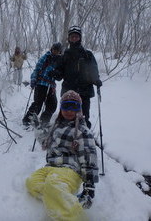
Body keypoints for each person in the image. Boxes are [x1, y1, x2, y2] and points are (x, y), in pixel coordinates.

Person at [26, 90, 99, 221]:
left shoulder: (82, 131)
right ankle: (56, 198)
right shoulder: (55, 126)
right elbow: (45, 142)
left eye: (73, 107)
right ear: (61, 108)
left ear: (79, 109)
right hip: (51, 167)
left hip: (70, 170)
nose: (69, 111)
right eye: (66, 106)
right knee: (32, 182)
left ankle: (74, 216)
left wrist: (89, 186)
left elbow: (89, 158)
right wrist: (38, 128)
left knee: (52, 184)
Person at [51, 26, 102, 129]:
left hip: (84, 91)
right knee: (66, 117)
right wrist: (54, 73)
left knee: (83, 117)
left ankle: (84, 138)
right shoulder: (65, 55)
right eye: (72, 37)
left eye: (76, 37)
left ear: (80, 38)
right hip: (68, 92)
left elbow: (93, 70)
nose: (74, 39)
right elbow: (59, 74)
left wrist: (96, 80)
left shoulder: (87, 54)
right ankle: (66, 139)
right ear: (69, 39)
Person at [22, 42, 62, 127]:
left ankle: (44, 121)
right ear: (52, 49)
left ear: (60, 51)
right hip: (41, 84)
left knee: (52, 105)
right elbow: (37, 69)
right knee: (38, 104)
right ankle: (27, 120)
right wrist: (33, 79)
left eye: (57, 50)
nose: (55, 51)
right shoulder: (46, 57)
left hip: (51, 86)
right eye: (54, 49)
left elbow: (60, 75)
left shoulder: (60, 60)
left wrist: (56, 73)